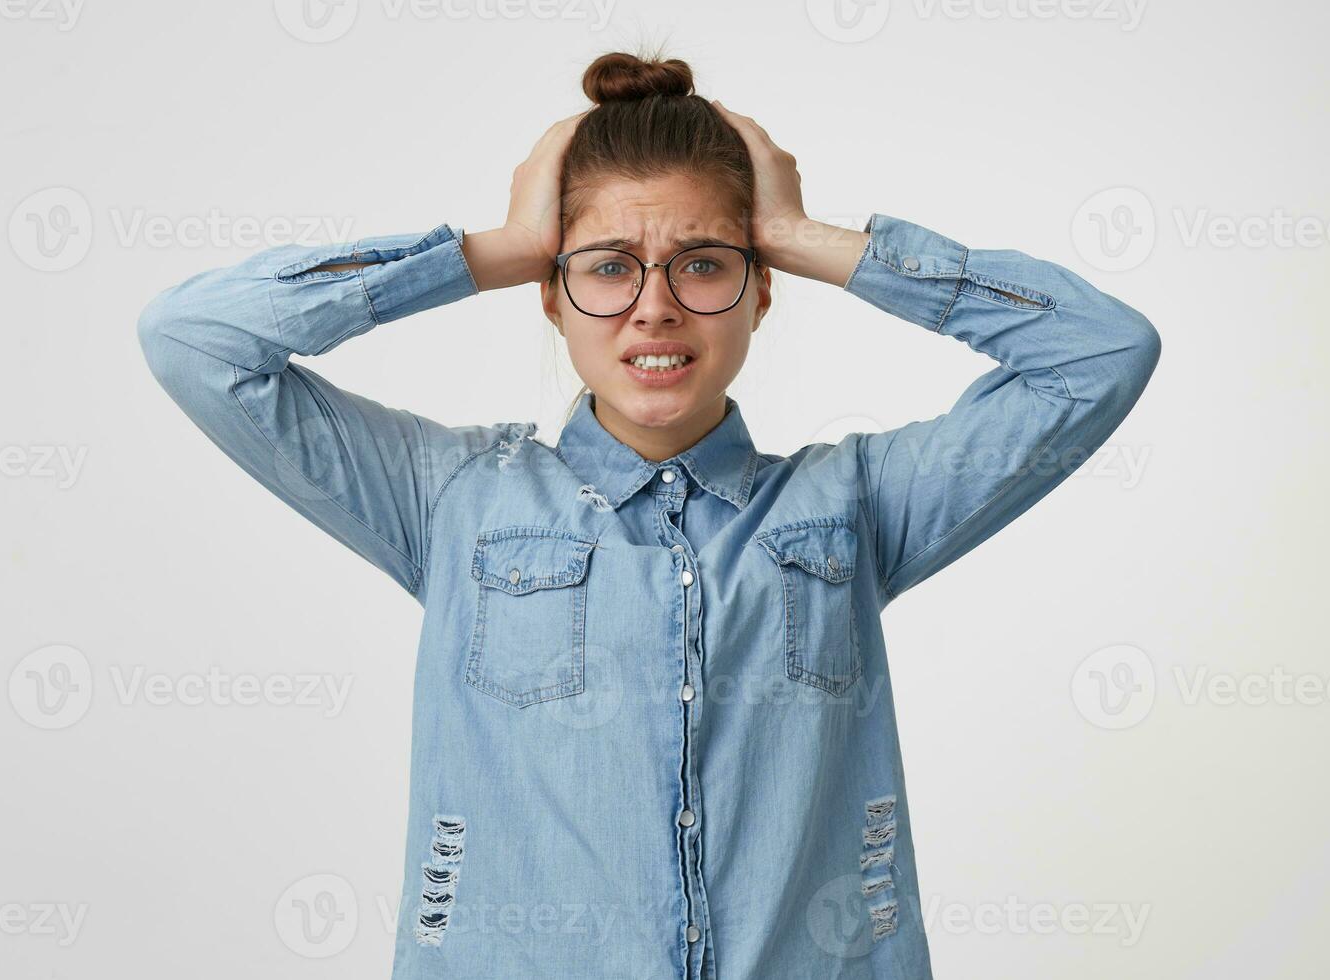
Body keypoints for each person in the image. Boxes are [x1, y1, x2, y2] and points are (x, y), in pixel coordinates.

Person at [137, 48, 1160, 980]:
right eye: (607, 265)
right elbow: (197, 340)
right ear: (551, 294)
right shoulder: (449, 499)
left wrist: (811, 236)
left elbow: (1099, 353)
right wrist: (490, 248)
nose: (655, 305)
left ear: (763, 291)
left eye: (704, 262)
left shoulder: (851, 505)